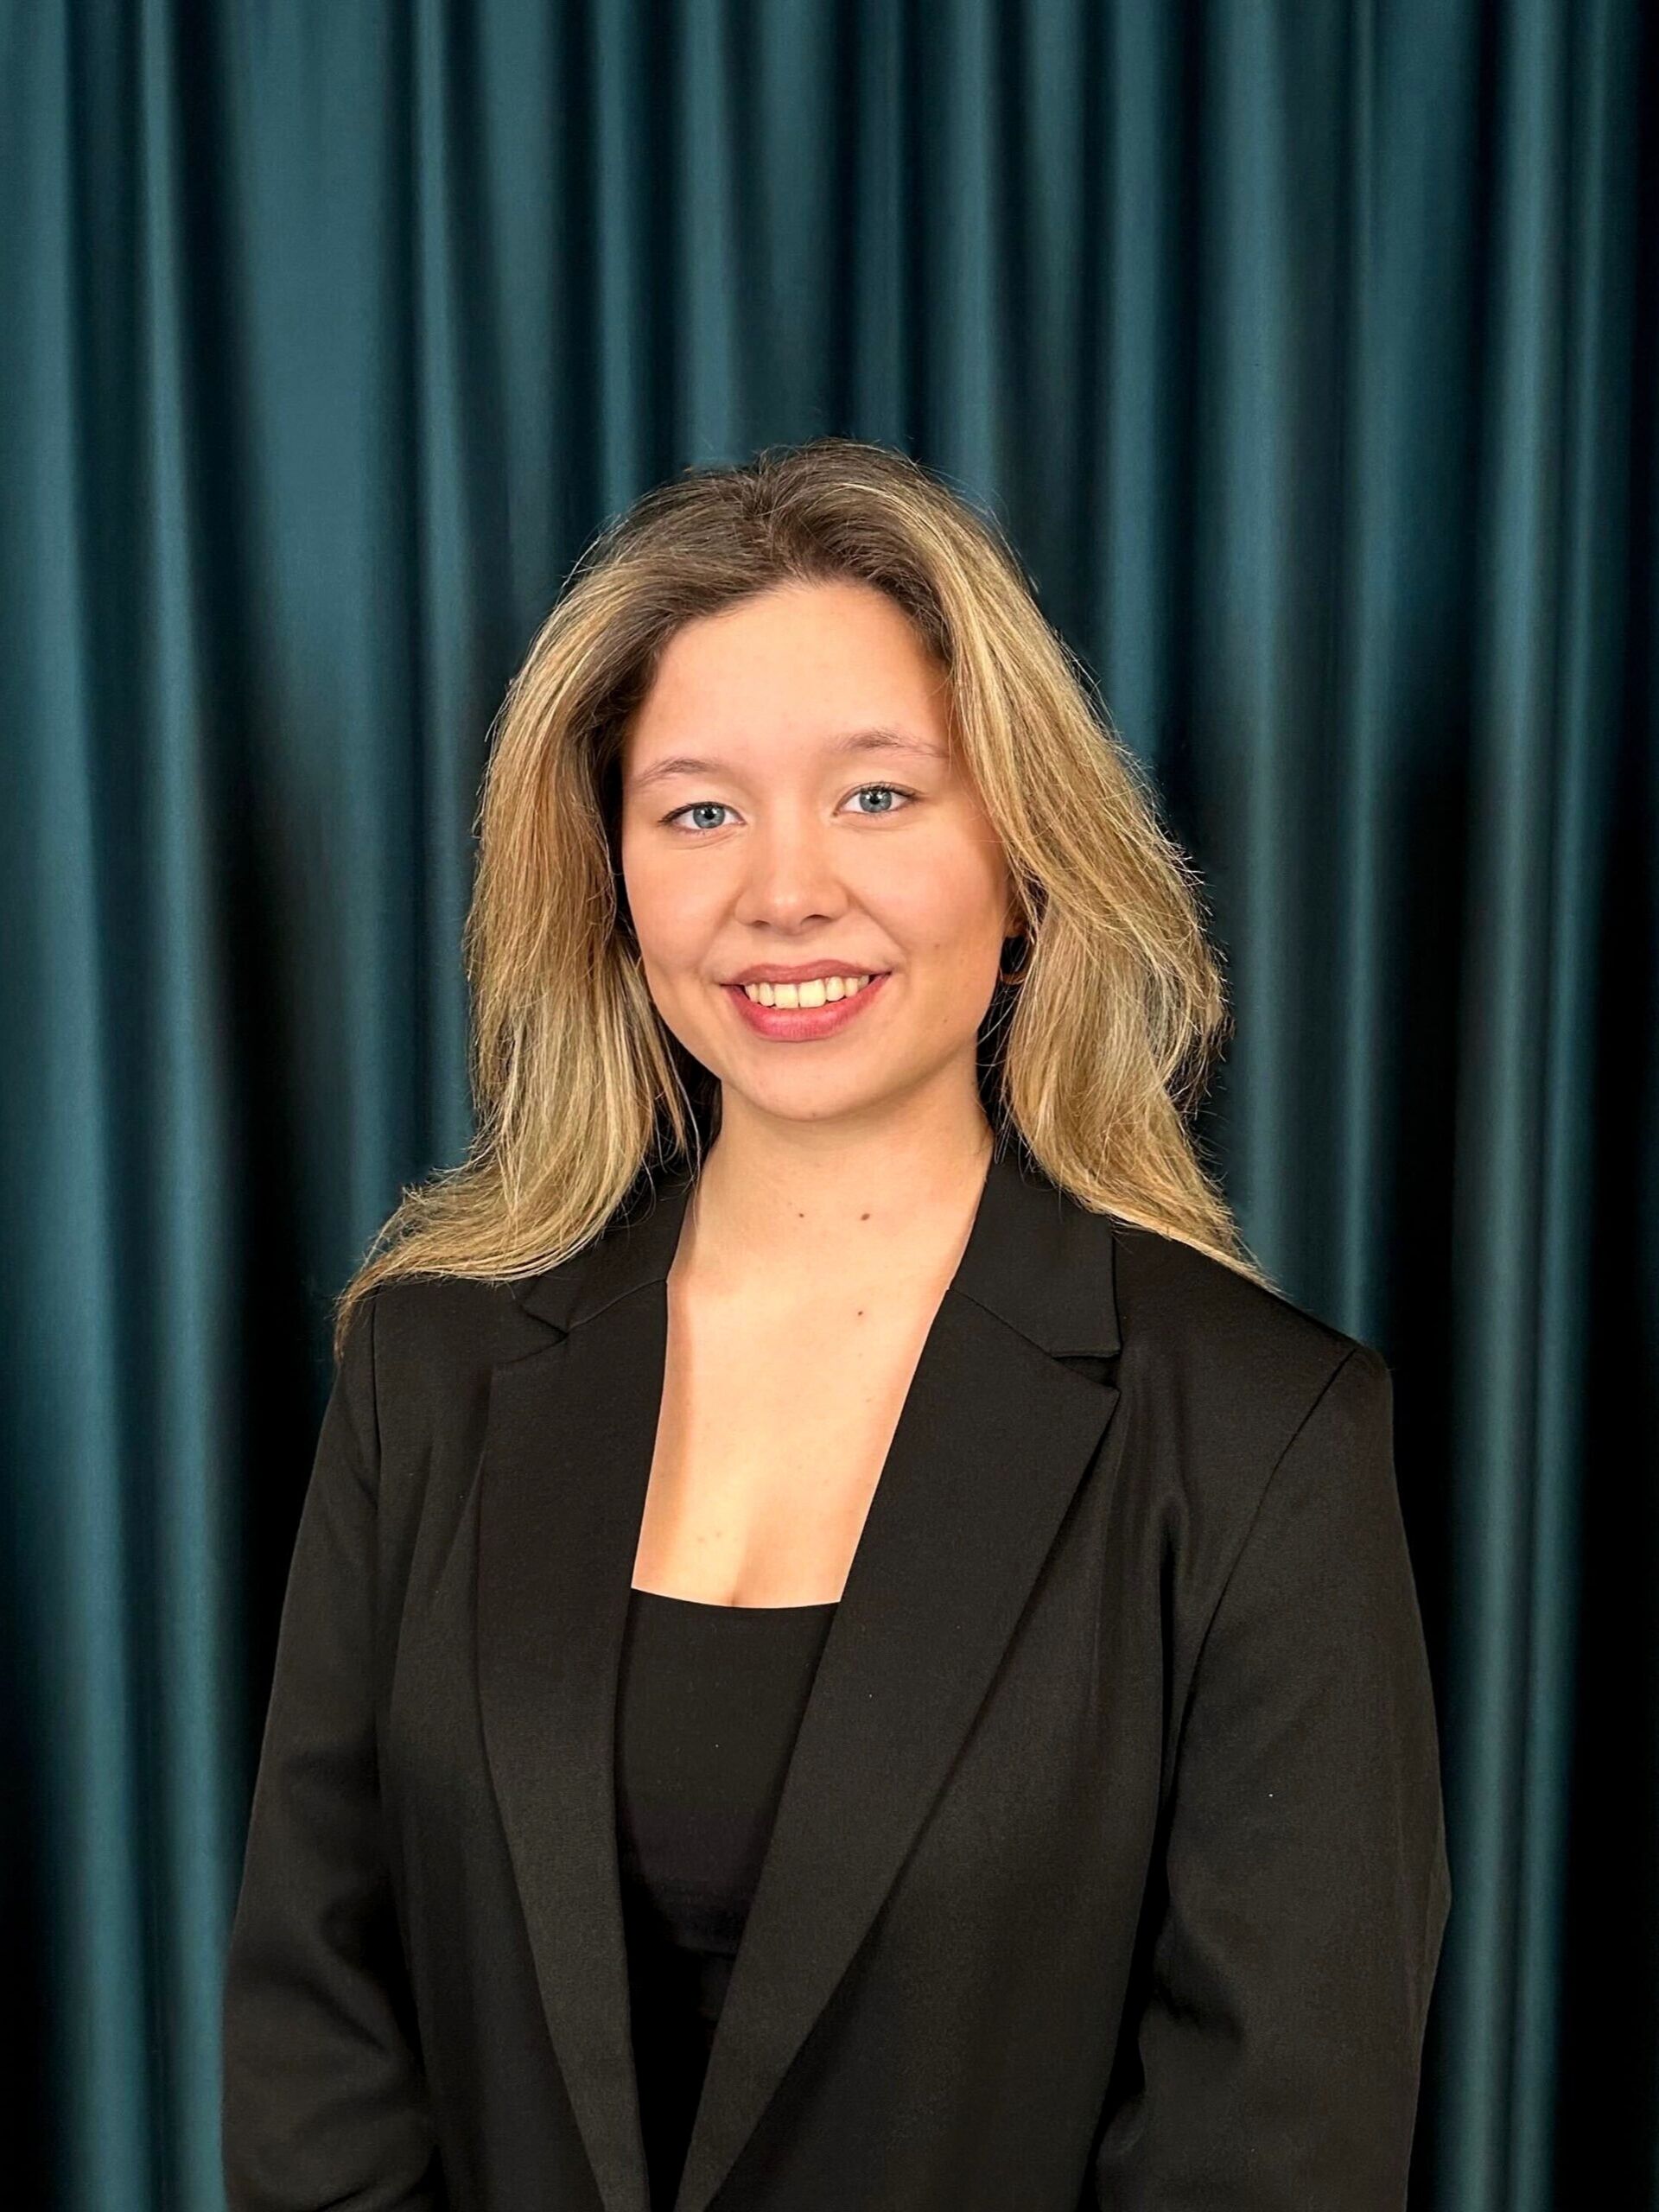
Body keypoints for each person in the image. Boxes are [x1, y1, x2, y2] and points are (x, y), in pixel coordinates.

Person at [221, 436, 1452, 2211]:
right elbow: (315, 2039)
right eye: (698, 808)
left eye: (878, 795)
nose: (782, 890)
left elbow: (1275, 2145)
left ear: (1026, 857)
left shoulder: (1260, 1438)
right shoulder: (427, 1377)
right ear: (612, 879)